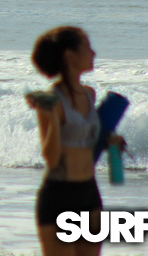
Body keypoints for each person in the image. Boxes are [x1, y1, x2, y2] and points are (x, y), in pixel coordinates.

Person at [27, 26, 120, 256]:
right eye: (87, 47)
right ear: (70, 55)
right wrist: (51, 118)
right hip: (59, 194)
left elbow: (86, 138)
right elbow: (50, 157)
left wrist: (109, 140)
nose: (94, 53)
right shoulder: (52, 100)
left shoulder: (89, 94)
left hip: (89, 193)